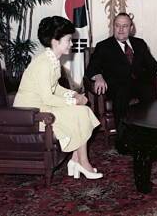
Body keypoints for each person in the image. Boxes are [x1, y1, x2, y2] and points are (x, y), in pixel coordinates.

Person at [14, 16, 102, 180]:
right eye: (68, 40)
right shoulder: (43, 64)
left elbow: (55, 88)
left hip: (41, 105)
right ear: (55, 41)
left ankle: (77, 160)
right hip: (31, 112)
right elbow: (48, 97)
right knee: (79, 112)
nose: (71, 43)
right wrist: (74, 101)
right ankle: (81, 162)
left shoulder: (52, 60)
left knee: (81, 111)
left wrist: (72, 94)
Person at [85, 13, 157, 128]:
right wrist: (98, 76)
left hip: (140, 85)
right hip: (117, 87)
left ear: (131, 28)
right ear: (113, 27)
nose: (120, 29)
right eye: (117, 25)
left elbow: (152, 63)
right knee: (122, 93)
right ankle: (122, 140)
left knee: (149, 92)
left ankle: (148, 136)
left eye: (125, 26)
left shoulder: (139, 43)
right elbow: (91, 68)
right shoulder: (103, 46)